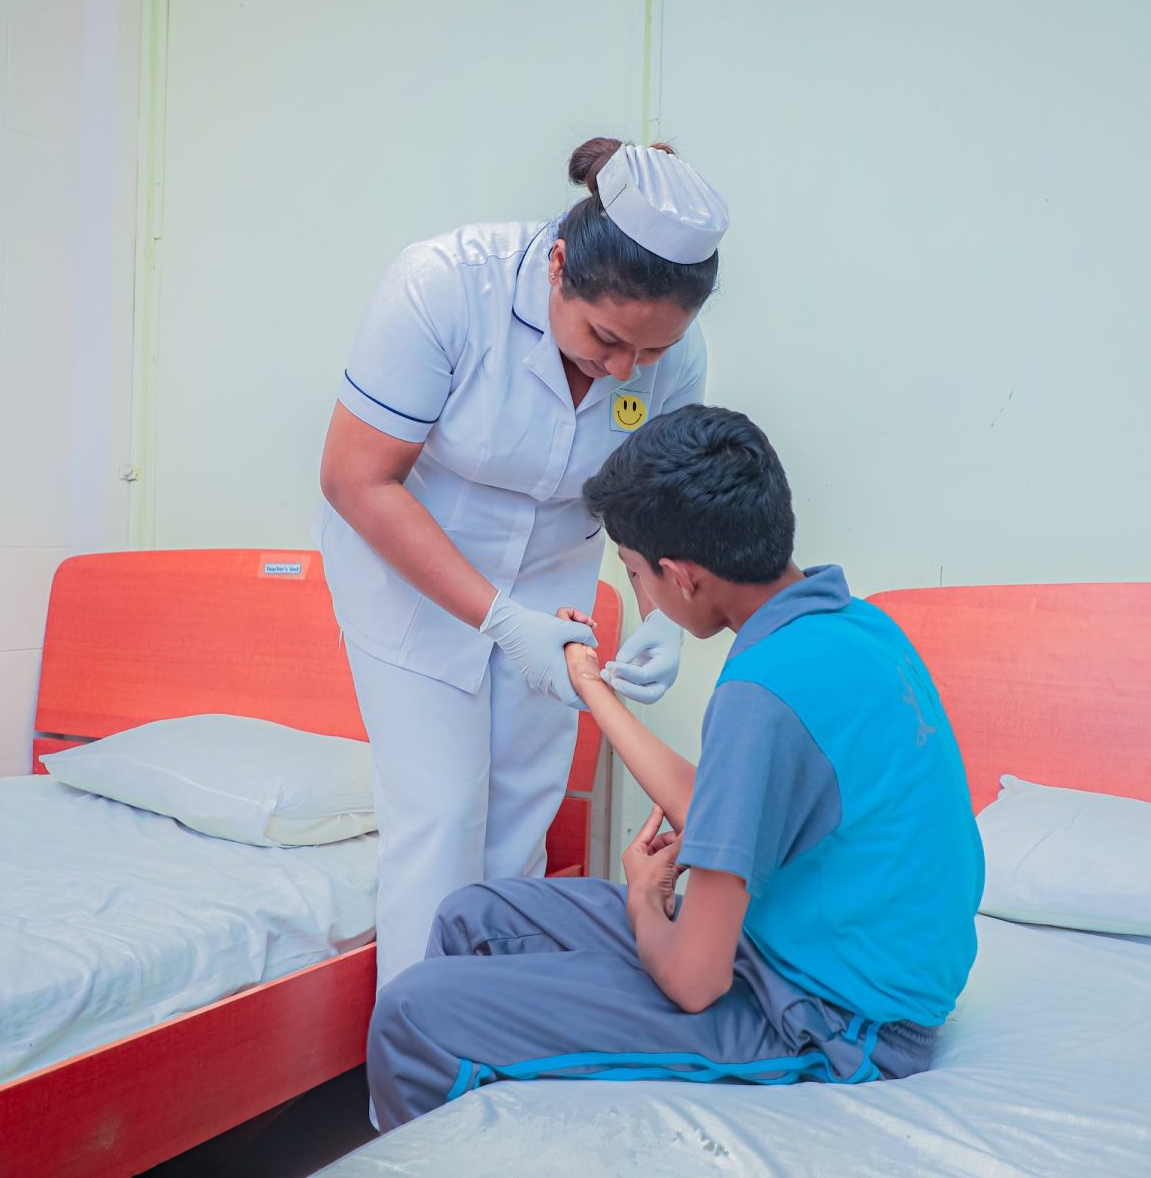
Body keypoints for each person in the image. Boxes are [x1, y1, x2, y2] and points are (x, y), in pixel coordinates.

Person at [365, 405, 986, 1129]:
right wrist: (593, 687)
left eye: (634, 575)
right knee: (473, 915)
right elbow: (725, 801)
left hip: (832, 1020)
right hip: (799, 948)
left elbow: (695, 981)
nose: (639, 596)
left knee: (412, 1012)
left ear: (683, 577)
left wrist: (642, 900)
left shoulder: (760, 692)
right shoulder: (852, 624)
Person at [319, 139, 730, 989]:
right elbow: (356, 479)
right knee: (442, 816)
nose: (623, 369)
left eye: (650, 354)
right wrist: (499, 619)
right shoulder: (442, 285)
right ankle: (420, 1057)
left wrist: (662, 619)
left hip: (554, 584)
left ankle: (499, 1042)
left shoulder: (672, 354)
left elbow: (646, 498)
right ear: (557, 266)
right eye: (606, 337)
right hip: (415, 574)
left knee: (520, 824)